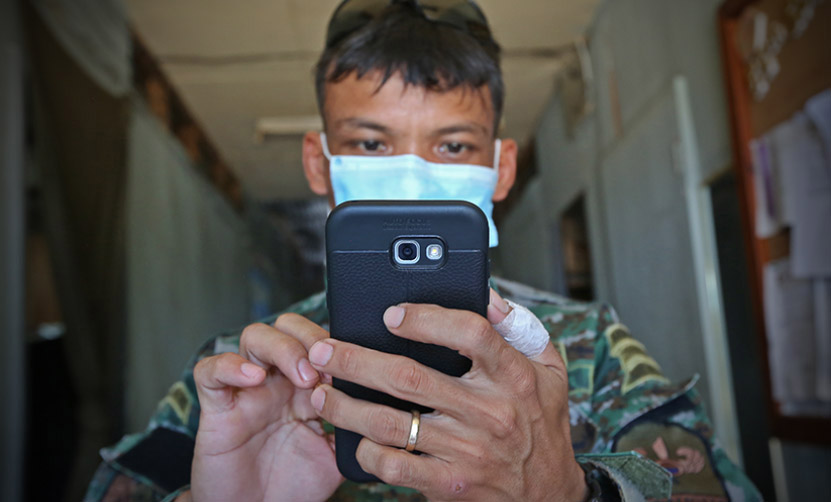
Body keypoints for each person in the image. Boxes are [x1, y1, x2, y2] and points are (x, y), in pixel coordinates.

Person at [85, 1, 761, 501]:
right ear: (318, 163)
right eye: (370, 143)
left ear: (500, 169)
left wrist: (568, 493)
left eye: (453, 145)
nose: (410, 177)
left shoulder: (592, 348)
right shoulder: (240, 375)